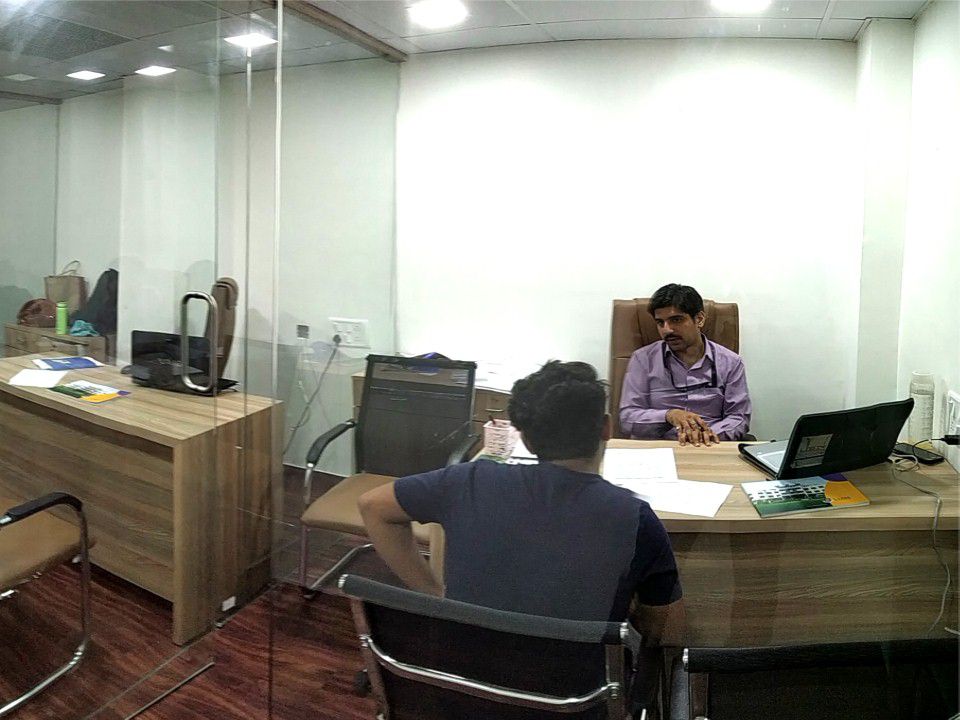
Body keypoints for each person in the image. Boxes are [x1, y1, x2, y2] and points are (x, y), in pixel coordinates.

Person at [358, 360, 683, 645]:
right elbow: (663, 631)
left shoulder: (466, 481)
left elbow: (373, 506)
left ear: (525, 437)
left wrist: (432, 594)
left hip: (466, 675)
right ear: (607, 427)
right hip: (577, 689)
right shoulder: (635, 518)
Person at [619, 284, 751, 445]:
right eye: (660, 322)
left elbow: (738, 417)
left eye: (676, 320)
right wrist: (668, 416)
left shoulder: (730, 362)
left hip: (709, 445)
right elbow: (627, 418)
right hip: (658, 448)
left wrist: (707, 434)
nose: (667, 330)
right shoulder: (643, 359)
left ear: (699, 319)